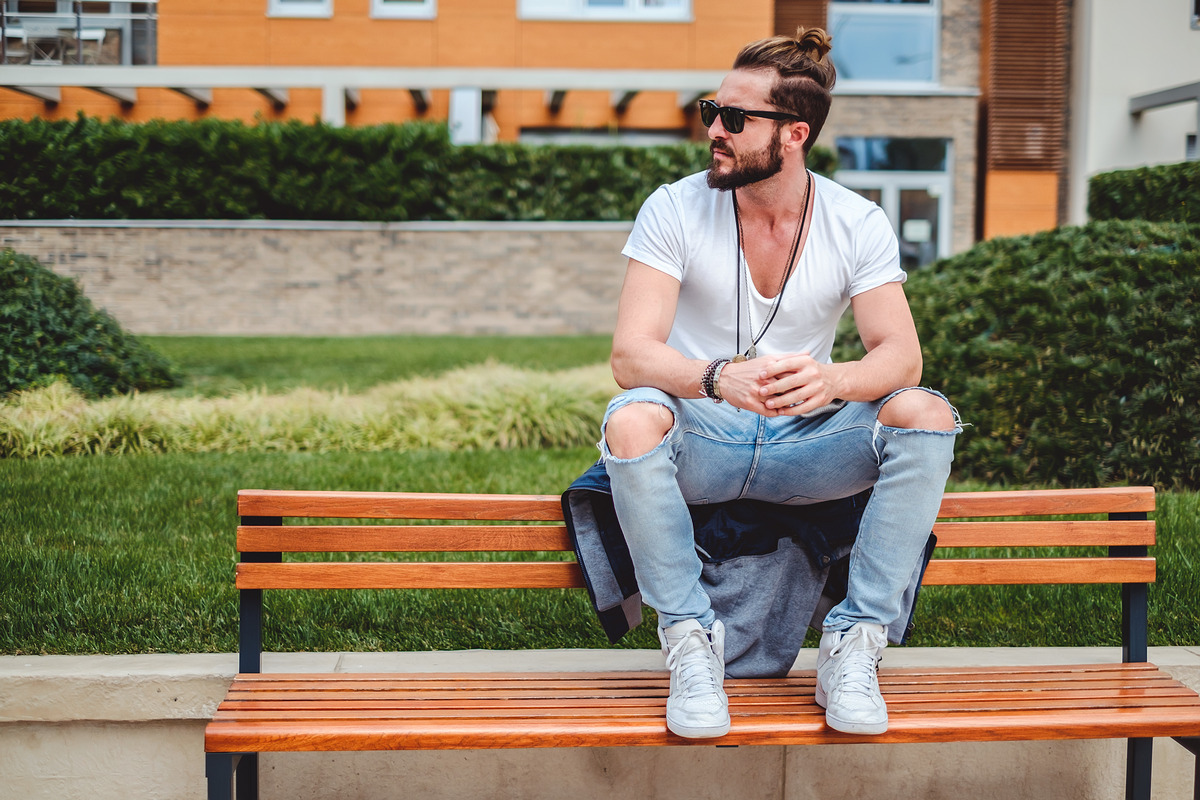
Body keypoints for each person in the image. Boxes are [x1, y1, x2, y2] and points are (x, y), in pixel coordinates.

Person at [599, 27, 960, 739]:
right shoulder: (674, 207)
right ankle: (691, 645)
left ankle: (856, 644)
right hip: (703, 437)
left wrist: (834, 379)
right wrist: (714, 378)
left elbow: (901, 357)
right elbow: (631, 356)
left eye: (735, 119)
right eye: (711, 109)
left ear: (794, 133)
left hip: (808, 445)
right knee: (631, 418)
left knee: (925, 413)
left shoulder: (856, 220)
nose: (715, 130)